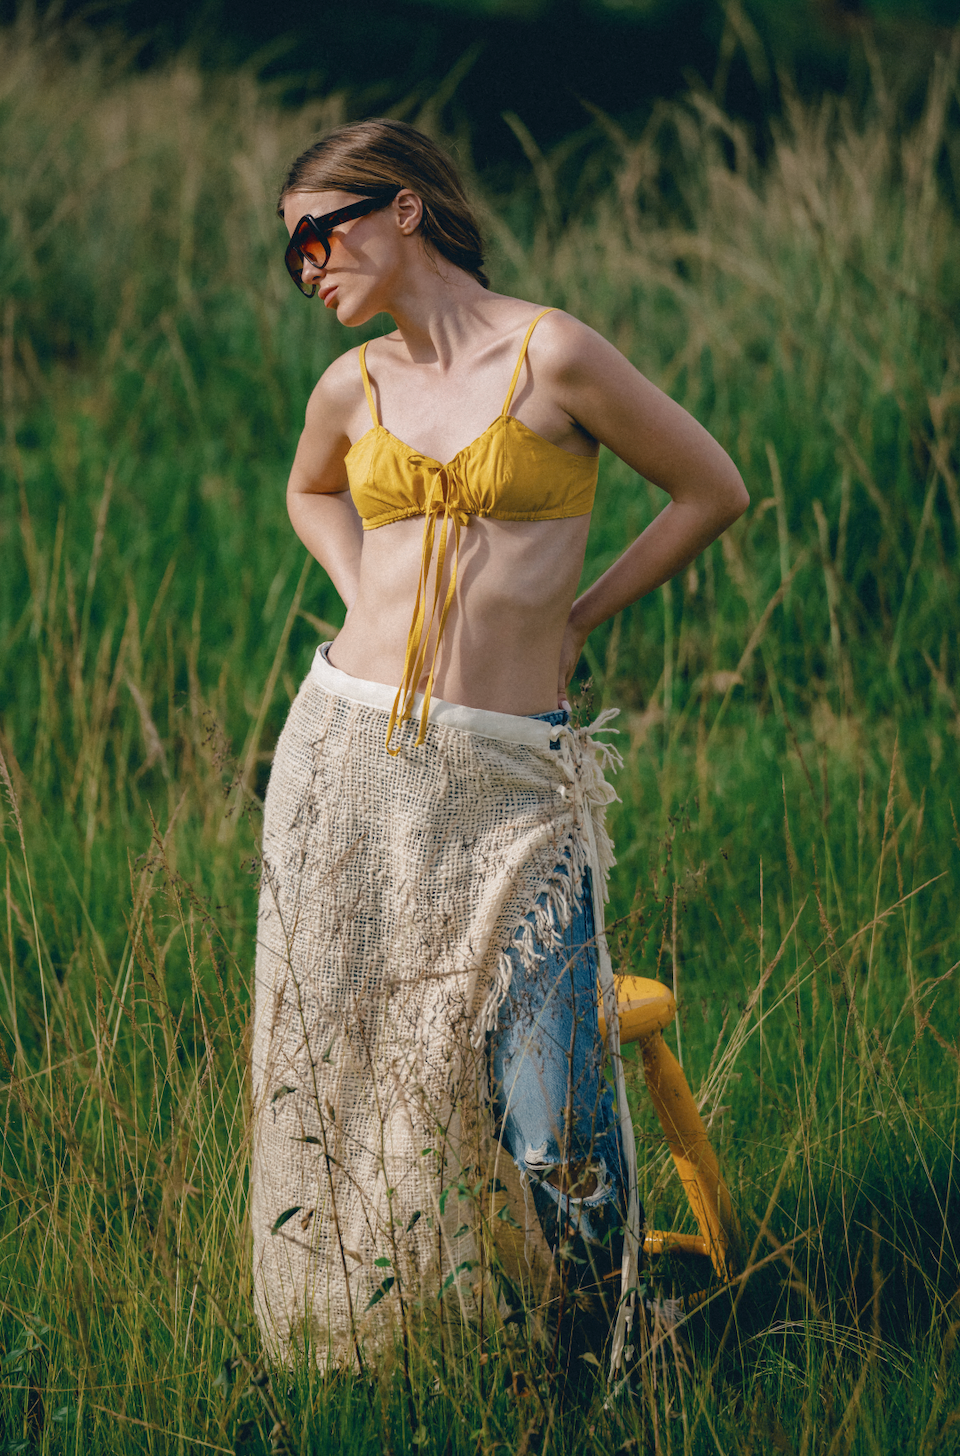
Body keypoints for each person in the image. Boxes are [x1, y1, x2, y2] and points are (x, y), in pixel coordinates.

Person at [250, 118, 748, 1374]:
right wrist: (361, 588)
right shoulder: (352, 386)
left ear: (404, 208)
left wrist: (578, 618)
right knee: (362, 1078)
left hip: (508, 777)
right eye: (290, 253)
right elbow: (310, 488)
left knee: (554, 1109)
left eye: (319, 235)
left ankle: (613, 1347)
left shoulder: (552, 353)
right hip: (345, 761)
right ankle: (423, 1341)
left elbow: (713, 488)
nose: (307, 265)